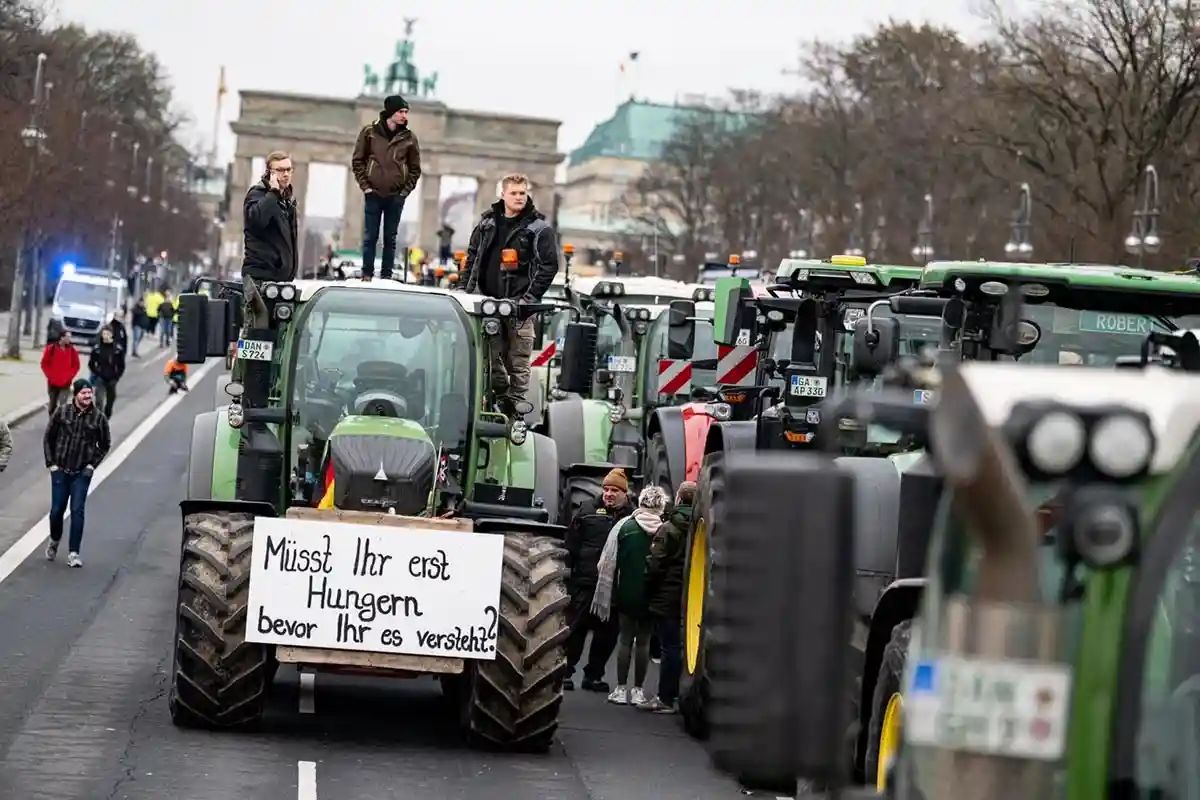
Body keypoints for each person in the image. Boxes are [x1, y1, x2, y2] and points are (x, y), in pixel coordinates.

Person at [462, 174, 559, 414]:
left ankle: (515, 414)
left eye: (523, 193)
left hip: (519, 308)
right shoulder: (486, 225)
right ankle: (499, 402)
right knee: (490, 363)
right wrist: (463, 291)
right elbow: (472, 258)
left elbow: (550, 266)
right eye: (514, 192)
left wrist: (529, 299)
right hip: (486, 305)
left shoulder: (538, 229)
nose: (519, 197)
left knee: (518, 365)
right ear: (502, 195)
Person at [592, 485, 668, 706]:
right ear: (661, 505)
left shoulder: (624, 528)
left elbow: (606, 563)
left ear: (642, 502)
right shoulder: (664, 529)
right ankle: (638, 690)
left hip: (625, 593)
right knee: (643, 643)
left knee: (625, 640)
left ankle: (620, 688)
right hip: (652, 596)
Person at [563, 468, 633, 692]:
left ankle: (593, 676)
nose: (609, 494)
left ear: (625, 493)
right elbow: (571, 544)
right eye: (606, 489)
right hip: (585, 582)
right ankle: (565, 672)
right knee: (575, 631)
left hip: (613, 587)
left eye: (614, 490)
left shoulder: (632, 516)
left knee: (607, 635)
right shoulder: (587, 510)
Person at [350, 95, 421, 281]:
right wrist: (365, 187)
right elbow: (357, 160)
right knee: (369, 236)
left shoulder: (409, 138)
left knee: (390, 238)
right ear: (391, 112)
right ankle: (367, 274)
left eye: (406, 112)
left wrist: (404, 193)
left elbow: (415, 169)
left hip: (395, 196)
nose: (405, 116)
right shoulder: (369, 132)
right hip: (373, 193)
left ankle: (387, 275)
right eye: (401, 112)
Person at [639, 481, 695, 713]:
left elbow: (655, 564)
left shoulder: (669, 528)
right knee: (683, 647)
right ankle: (680, 695)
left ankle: (664, 698)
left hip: (667, 594)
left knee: (669, 648)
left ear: (679, 499)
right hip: (691, 596)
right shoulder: (700, 525)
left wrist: (647, 587)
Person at [43, 378, 111, 568]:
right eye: (84, 392)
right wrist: (51, 465)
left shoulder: (98, 418)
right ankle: (55, 540)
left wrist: (92, 466)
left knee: (77, 510)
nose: (88, 396)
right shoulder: (62, 412)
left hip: (81, 472)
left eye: (90, 392)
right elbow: (49, 437)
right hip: (60, 471)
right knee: (57, 511)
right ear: (76, 394)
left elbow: (104, 444)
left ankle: (74, 553)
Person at [243, 150, 300, 284]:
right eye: (280, 170)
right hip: (260, 278)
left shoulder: (288, 201)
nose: (286, 174)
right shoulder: (257, 194)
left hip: (281, 280)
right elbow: (257, 221)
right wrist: (273, 193)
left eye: (288, 170)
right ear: (269, 173)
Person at [41, 329, 80, 416]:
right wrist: (50, 376)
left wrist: (70, 376)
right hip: (52, 382)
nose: (69, 339)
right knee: (52, 405)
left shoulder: (72, 350)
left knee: (63, 404)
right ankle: (52, 421)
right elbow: (44, 364)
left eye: (70, 337)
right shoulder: (51, 349)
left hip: (66, 382)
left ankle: (61, 423)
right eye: (67, 337)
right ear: (62, 337)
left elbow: (76, 365)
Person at [88, 327, 124, 417]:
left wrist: (117, 376)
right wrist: (96, 372)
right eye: (104, 334)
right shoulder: (97, 348)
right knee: (99, 399)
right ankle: (99, 417)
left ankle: (108, 411)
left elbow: (121, 365)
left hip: (112, 377)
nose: (106, 336)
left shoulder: (117, 349)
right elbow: (91, 363)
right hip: (100, 377)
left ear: (111, 335)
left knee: (111, 398)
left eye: (108, 334)